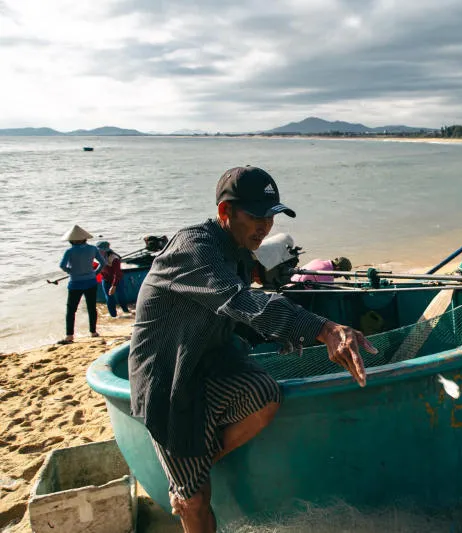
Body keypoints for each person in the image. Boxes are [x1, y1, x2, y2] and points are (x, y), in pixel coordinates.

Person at [128, 165, 376, 533]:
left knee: (265, 396)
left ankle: (195, 468)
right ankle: (188, 485)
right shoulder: (195, 249)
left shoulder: (239, 251)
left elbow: (252, 313)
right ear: (225, 212)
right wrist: (322, 329)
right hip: (168, 378)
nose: (264, 227)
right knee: (196, 503)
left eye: (271, 217)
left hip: (209, 364)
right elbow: (241, 302)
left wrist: (299, 330)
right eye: (256, 216)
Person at [57, 224, 106, 344]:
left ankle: (69, 336)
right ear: (85, 238)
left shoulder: (69, 251)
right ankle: (93, 332)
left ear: (72, 240)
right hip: (91, 281)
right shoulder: (93, 249)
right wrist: (95, 273)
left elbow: (62, 266)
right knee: (91, 307)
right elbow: (102, 262)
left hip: (75, 283)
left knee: (71, 309)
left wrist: (71, 271)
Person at [96, 241, 131, 317]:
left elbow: (117, 273)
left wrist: (114, 286)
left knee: (120, 296)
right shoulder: (99, 256)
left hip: (117, 279)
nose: (98, 252)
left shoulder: (114, 258)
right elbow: (98, 268)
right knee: (109, 298)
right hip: (105, 279)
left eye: (100, 250)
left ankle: (126, 311)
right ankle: (113, 316)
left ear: (105, 250)